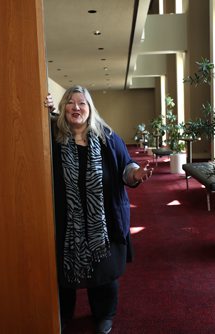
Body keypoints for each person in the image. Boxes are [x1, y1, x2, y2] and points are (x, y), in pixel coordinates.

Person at [45, 85, 152, 334]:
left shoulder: (107, 137)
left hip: (103, 220)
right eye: (70, 103)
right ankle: (63, 314)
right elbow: (39, 120)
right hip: (66, 220)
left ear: (90, 108)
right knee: (63, 269)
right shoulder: (53, 136)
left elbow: (127, 167)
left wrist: (136, 174)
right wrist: (46, 108)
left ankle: (104, 314)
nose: (76, 107)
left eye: (82, 103)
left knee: (104, 270)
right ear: (63, 109)